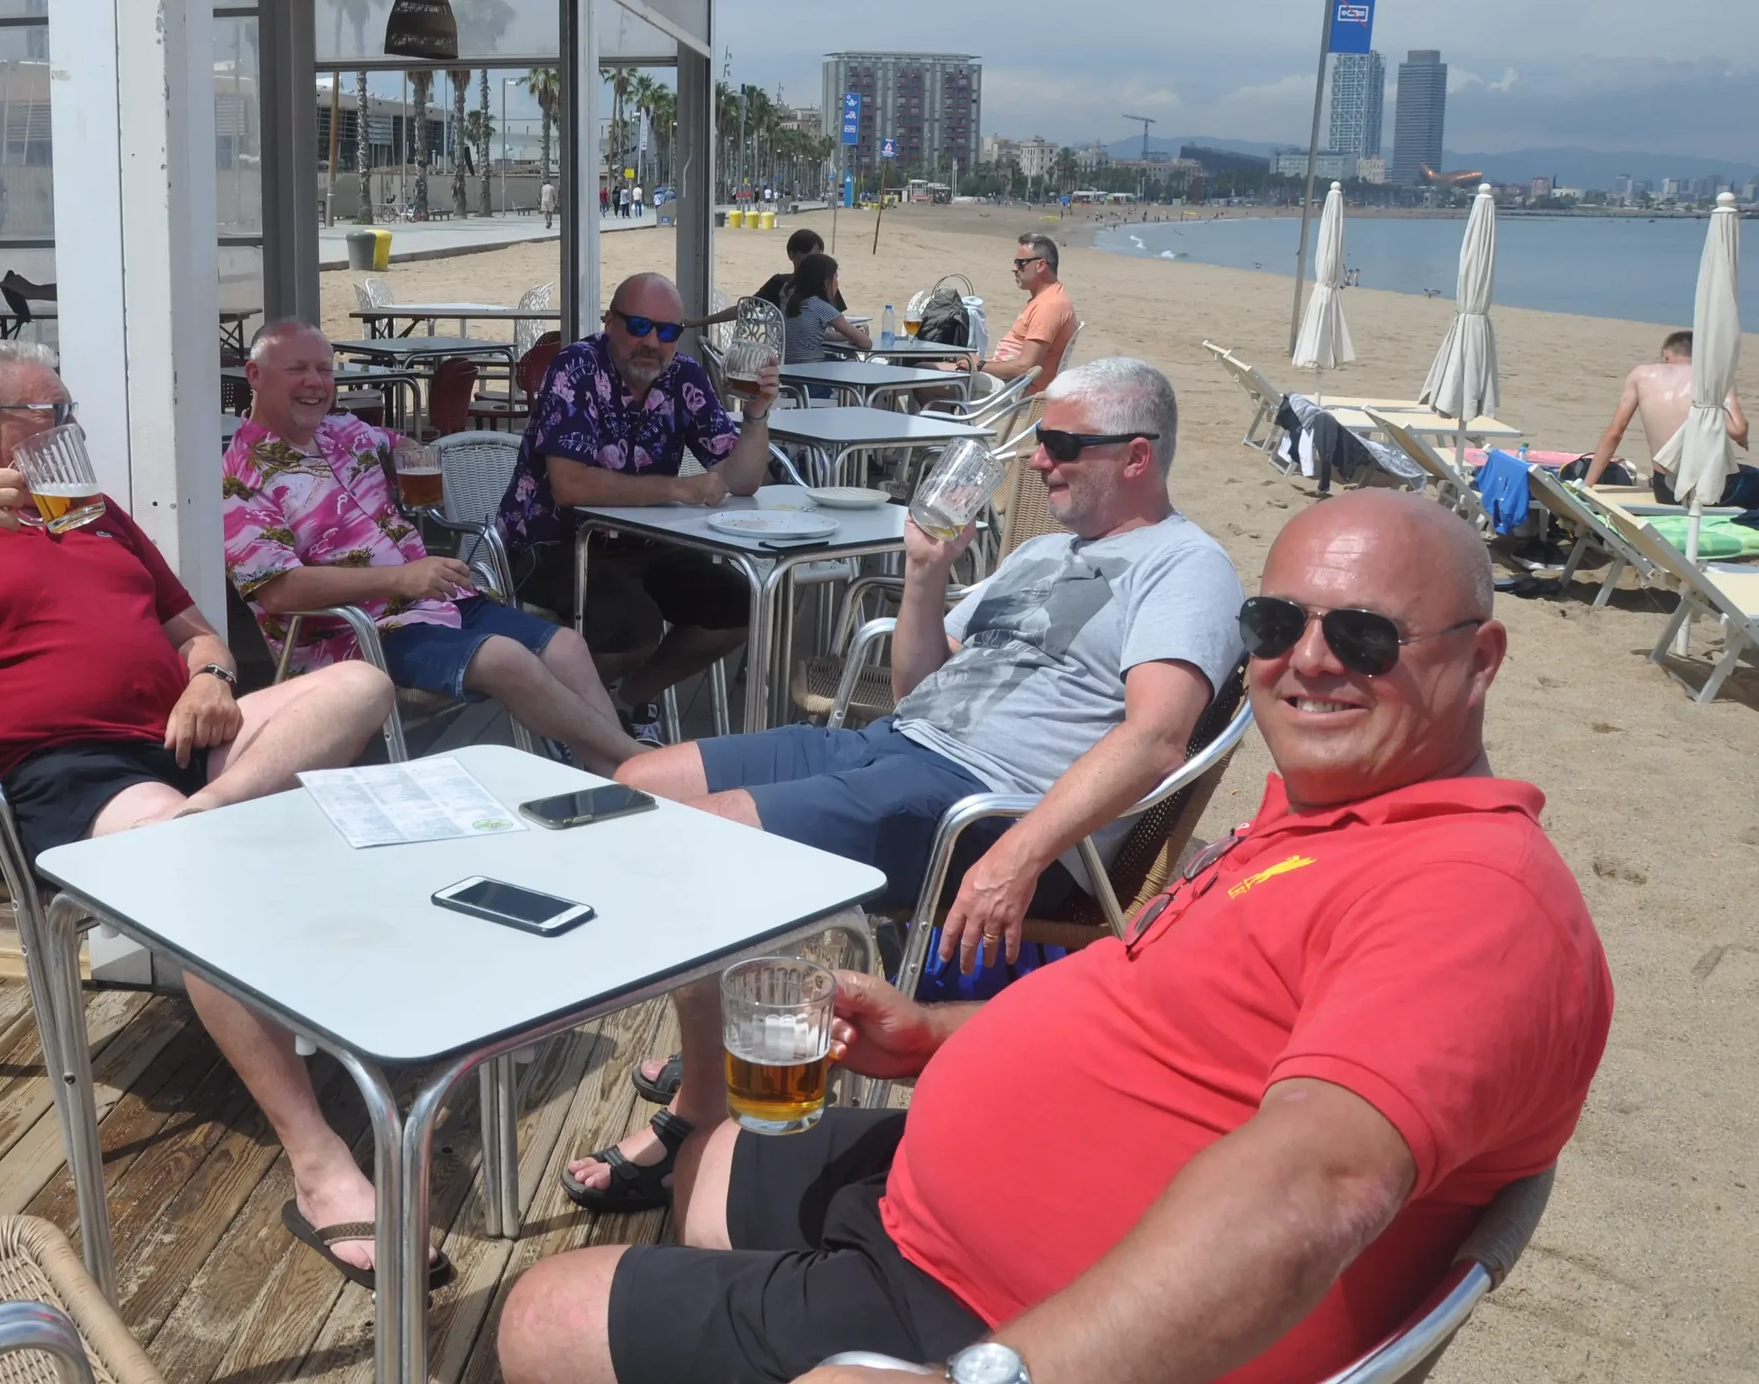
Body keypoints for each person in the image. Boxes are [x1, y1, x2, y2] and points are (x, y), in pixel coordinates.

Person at [499, 490, 1612, 1384]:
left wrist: (990, 1374)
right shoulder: (1329, 823)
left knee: (541, 1316)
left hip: (1022, 1313)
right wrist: (938, 1032)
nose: (1308, 661)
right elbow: (1171, 1024)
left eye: (1365, 637)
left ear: (1482, 658)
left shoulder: (1471, 899)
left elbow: (1311, 1192)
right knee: (710, 1156)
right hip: (937, 1202)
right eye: (1275, 627)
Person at [0, 342, 440, 1288]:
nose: (76, 429)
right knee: (190, 863)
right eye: (57, 413)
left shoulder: (95, 516)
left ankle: (210, 816)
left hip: (175, 744)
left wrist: (210, 675)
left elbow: (193, 627)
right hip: (38, 777)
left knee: (356, 683)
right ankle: (321, 1167)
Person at [572, 359, 1243, 1211]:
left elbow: (1156, 737)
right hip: (893, 744)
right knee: (640, 785)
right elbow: (919, 688)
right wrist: (926, 571)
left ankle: (701, 1107)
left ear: (1137, 457)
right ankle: (721, 1035)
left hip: (982, 804)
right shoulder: (1040, 553)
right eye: (1040, 440)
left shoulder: (1185, 566)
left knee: (701, 843)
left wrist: (1021, 855)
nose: (1038, 460)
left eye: (1062, 444)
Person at [225, 321, 645, 773]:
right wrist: (400, 577)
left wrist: (407, 452)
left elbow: (396, 443)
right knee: (506, 659)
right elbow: (279, 592)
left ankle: (619, 778)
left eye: (324, 369)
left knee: (567, 647)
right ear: (254, 374)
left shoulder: (342, 431)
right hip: (360, 631)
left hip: (435, 596)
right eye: (297, 369)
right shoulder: (238, 478)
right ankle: (635, 761)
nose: (315, 382)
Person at [498, 271, 779, 746]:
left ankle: (623, 703)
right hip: (550, 542)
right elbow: (569, 486)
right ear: (610, 322)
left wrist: (755, 414)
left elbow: (742, 480)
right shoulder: (576, 368)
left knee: (741, 606)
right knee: (634, 625)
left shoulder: (683, 376)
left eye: (668, 331)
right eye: (639, 326)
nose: (653, 341)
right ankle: (564, 715)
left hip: (645, 541)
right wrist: (675, 488)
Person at [1582, 328, 1758, 507]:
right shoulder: (1713, 379)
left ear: (1666, 354)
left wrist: (1587, 485)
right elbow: (1738, 430)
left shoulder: (1641, 375)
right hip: (1711, 490)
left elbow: (1615, 433)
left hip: (1666, 491)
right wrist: (1742, 438)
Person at [978, 233, 1076, 391]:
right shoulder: (1047, 298)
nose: (1014, 268)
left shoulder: (1049, 306)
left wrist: (979, 364)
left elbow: (1024, 367)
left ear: (1041, 265)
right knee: (944, 368)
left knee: (938, 376)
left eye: (1021, 263)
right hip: (1010, 381)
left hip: (1018, 389)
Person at [697, 228, 825, 329]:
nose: (816, 262)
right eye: (811, 257)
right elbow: (743, 309)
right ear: (792, 255)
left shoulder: (825, 282)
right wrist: (697, 322)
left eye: (819, 257)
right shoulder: (780, 284)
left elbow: (837, 321)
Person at [781, 252, 872, 362]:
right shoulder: (820, 307)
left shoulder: (792, 302)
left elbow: (817, 335)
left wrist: (848, 337)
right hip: (814, 370)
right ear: (826, 283)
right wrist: (857, 336)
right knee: (852, 362)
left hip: (789, 370)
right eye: (836, 278)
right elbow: (866, 343)